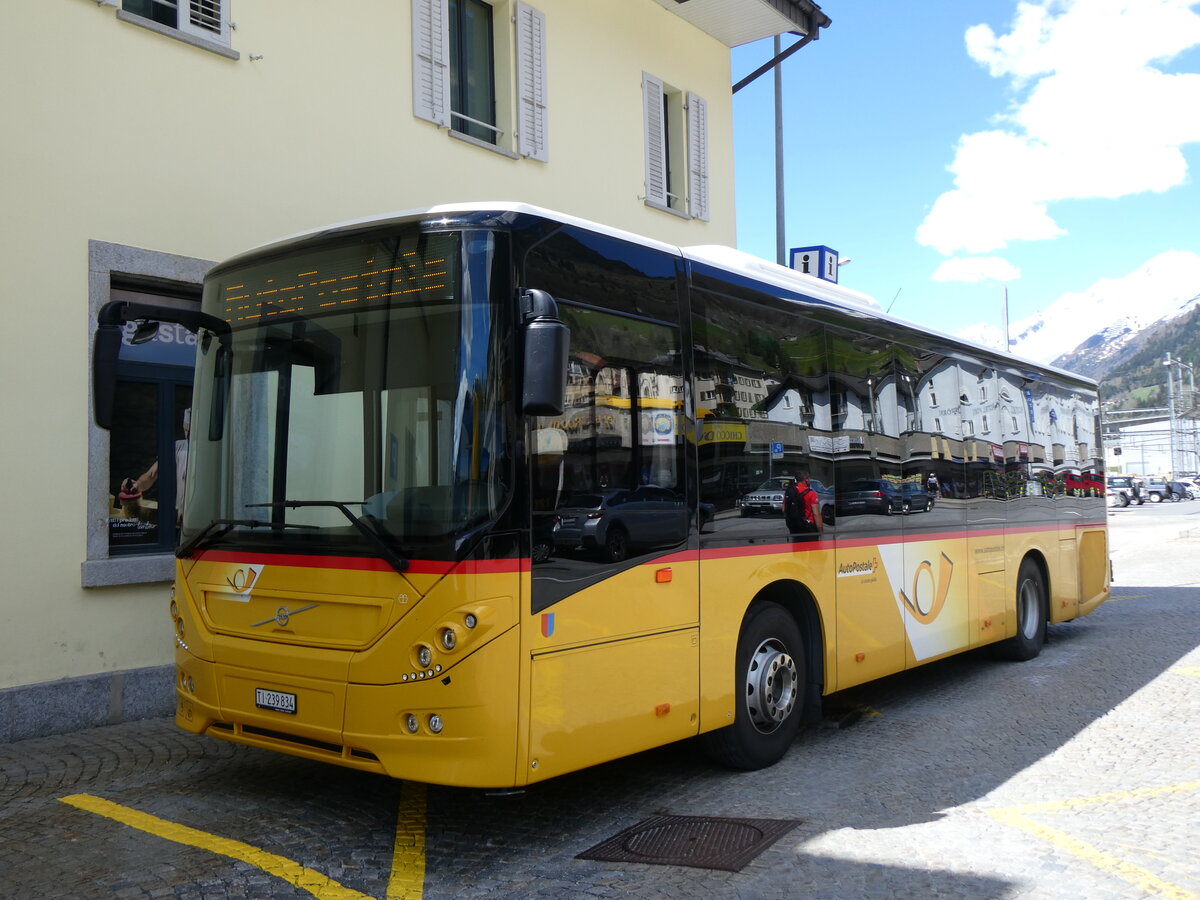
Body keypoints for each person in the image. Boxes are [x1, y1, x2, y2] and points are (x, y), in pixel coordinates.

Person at [784, 473, 823, 540]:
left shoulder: (789, 492)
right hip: (808, 527)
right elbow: (816, 514)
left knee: (797, 548)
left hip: (794, 527)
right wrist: (820, 530)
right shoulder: (811, 493)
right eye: (809, 479)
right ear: (806, 480)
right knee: (813, 549)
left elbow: (784, 509)